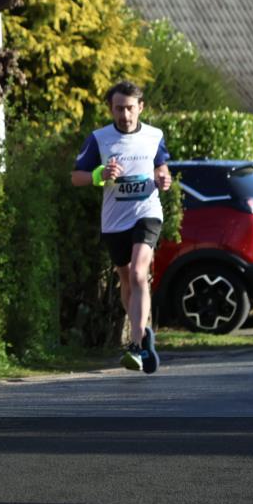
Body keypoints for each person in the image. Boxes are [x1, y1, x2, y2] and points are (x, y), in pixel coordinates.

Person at [71, 81, 171, 374]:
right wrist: (100, 174)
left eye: (130, 108)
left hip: (147, 212)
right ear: (111, 109)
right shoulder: (99, 139)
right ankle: (143, 331)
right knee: (126, 279)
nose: (125, 115)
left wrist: (164, 179)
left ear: (140, 107)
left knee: (140, 273)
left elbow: (162, 168)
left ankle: (136, 344)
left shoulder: (155, 136)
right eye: (119, 109)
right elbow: (76, 177)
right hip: (115, 219)